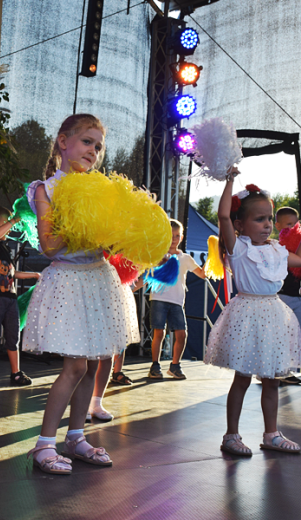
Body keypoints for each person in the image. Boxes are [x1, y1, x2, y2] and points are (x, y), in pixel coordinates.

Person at [24, 114, 136, 475]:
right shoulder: (47, 189)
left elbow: (109, 243)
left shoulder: (102, 189)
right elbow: (49, 245)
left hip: (98, 280)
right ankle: (44, 444)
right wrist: (81, 225)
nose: (94, 151)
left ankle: (76, 436)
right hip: (68, 281)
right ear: (62, 142)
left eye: (99, 147)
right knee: (73, 366)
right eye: (87, 142)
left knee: (92, 363)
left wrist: (118, 236)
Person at [205, 174, 301, 456]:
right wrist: (230, 181)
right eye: (259, 219)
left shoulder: (277, 250)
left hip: (273, 316)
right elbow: (223, 216)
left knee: (271, 379)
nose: (267, 224)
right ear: (241, 224)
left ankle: (271, 434)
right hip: (247, 314)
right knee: (242, 378)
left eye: (269, 218)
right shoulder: (239, 248)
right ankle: (231, 434)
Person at [0, 206, 40, 387]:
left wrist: (34, 275)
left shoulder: (5, 248)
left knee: (13, 337)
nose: (10, 227)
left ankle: (15, 373)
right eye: (5, 223)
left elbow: (13, 273)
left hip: (11, 300)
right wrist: (14, 220)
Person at [147, 219, 206, 380]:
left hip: (177, 301)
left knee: (182, 334)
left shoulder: (185, 258)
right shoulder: (158, 254)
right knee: (159, 332)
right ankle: (155, 365)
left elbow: (202, 274)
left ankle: (175, 366)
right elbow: (147, 274)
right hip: (158, 298)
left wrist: (214, 256)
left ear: (181, 237)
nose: (174, 239)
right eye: (171, 235)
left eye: (177, 235)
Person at [89, 279, 143, 421]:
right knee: (90, 357)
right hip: (93, 297)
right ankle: (83, 404)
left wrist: (152, 270)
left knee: (107, 356)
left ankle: (96, 403)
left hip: (116, 305)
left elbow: (132, 284)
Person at [274, 207, 301, 385]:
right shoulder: (277, 248)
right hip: (282, 296)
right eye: (288, 225)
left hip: (298, 296)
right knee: (281, 335)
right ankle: (275, 370)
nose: (292, 228)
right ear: (277, 226)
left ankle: (288, 371)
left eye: (295, 224)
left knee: (296, 336)